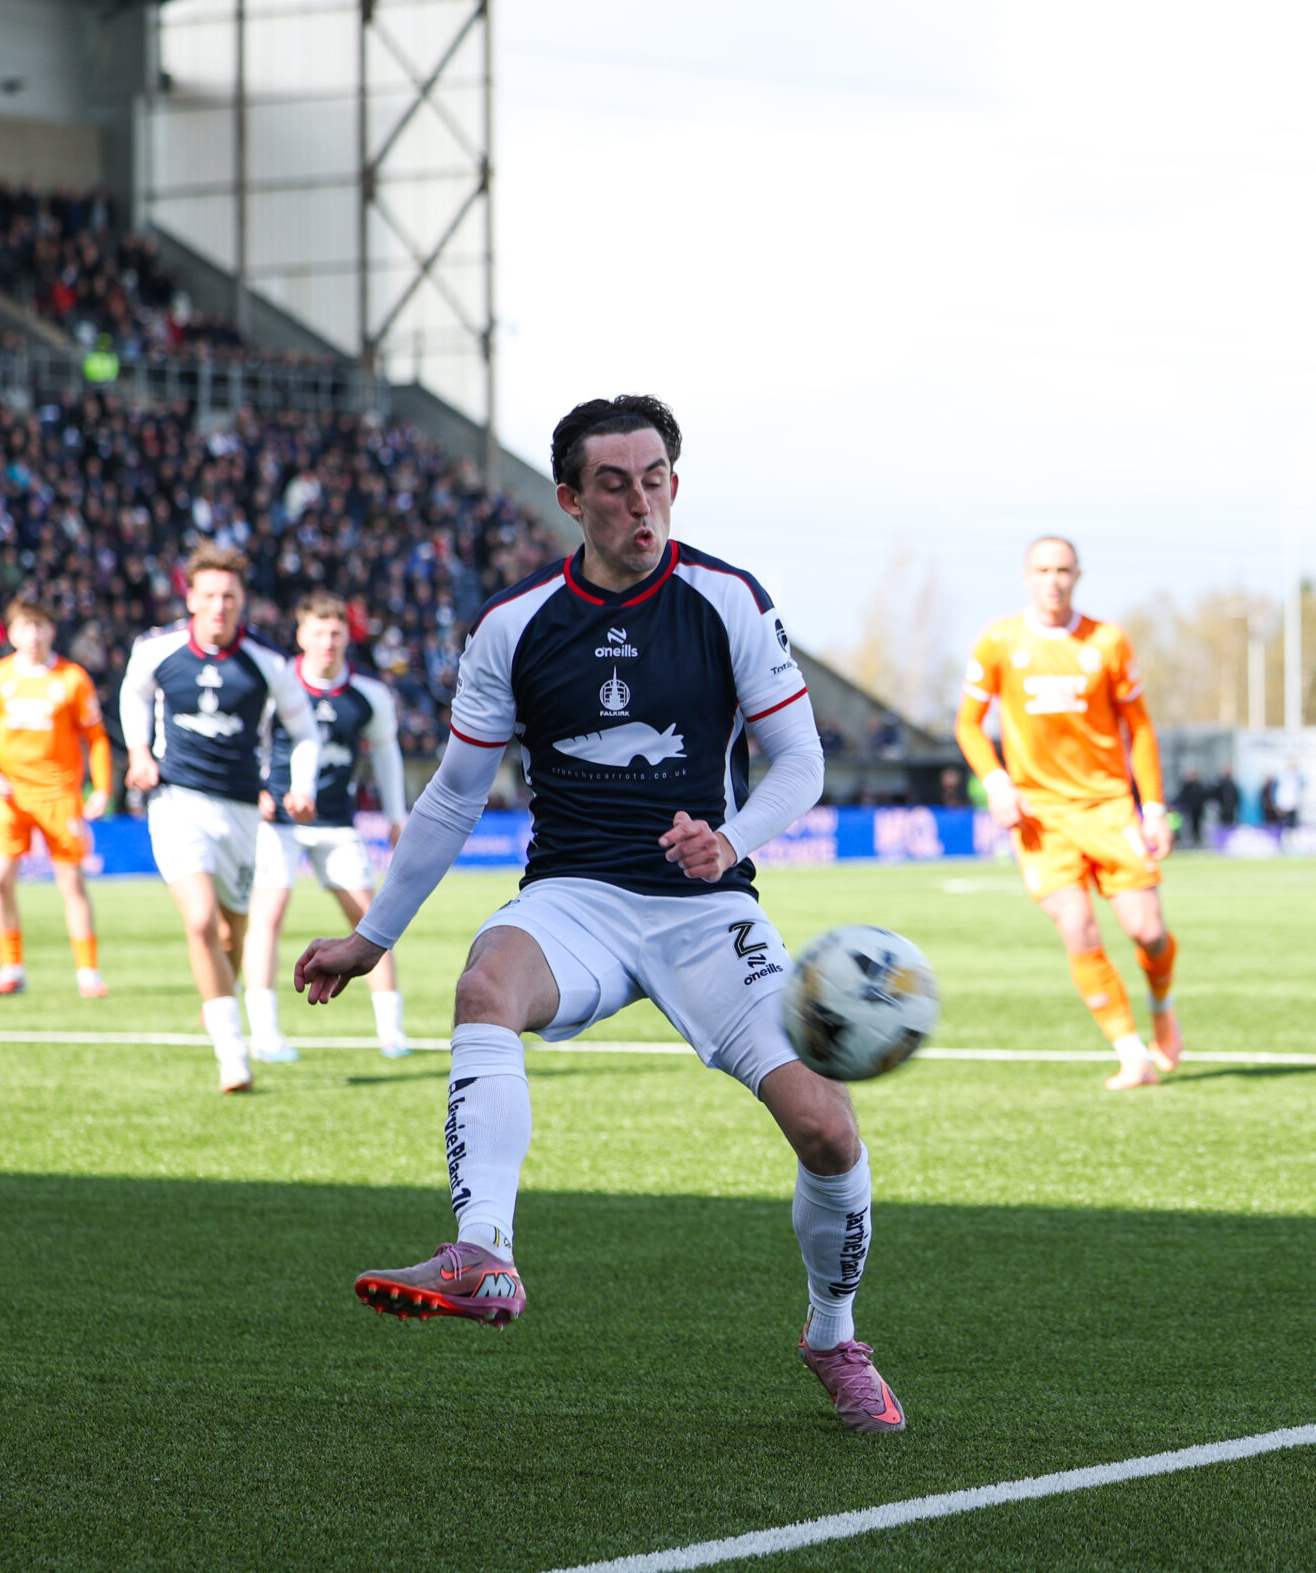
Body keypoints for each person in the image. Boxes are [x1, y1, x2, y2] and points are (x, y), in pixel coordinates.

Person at [294, 395, 907, 1434]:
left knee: (828, 1131)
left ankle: (831, 1334)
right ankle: (482, 1251)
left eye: (656, 477)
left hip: (705, 911)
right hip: (573, 895)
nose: (640, 502)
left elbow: (799, 761)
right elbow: (451, 796)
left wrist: (733, 842)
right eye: (614, 485)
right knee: (485, 984)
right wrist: (371, 937)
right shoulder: (514, 625)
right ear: (571, 499)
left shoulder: (727, 600)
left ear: (675, 481)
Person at [955, 535, 1181, 1090]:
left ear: (1077, 576)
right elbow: (967, 724)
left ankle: (1162, 1004)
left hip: (1109, 809)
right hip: (1040, 817)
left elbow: (1142, 727)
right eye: (1042, 569)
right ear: (1026, 576)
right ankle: (1131, 1054)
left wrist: (1152, 807)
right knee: (1077, 926)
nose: (1053, 579)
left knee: (1147, 930)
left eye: (1063, 570)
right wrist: (997, 783)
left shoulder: (1107, 641)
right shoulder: (999, 641)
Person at [122, 546, 324, 1091]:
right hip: (175, 799)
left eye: (229, 596)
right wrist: (139, 753)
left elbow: (304, 731)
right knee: (200, 921)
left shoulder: (269, 662)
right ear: (190, 598)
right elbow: (134, 694)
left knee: (232, 933)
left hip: (241, 809)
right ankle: (233, 1054)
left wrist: (300, 787)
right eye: (208, 595)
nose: (219, 606)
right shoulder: (155, 649)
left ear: (243, 602)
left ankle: (222, 1012)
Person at [242, 591, 413, 1064]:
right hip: (277, 819)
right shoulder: (278, 683)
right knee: (267, 917)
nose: (327, 642)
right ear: (301, 636)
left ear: (346, 638)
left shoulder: (369, 694)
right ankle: (266, 1034)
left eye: (336, 632)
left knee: (371, 922)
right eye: (318, 632)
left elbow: (386, 754)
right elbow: (250, 738)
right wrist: (254, 786)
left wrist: (397, 814)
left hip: (337, 822)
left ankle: (392, 1032)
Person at [0, 599, 114, 997]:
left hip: (58, 794)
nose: (33, 635)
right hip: (9, 796)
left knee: (71, 883)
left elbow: (96, 736)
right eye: (25, 626)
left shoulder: (72, 678)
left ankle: (88, 972)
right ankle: (11, 968)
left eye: (40, 626)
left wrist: (101, 787)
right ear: (12, 632)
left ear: (52, 630)